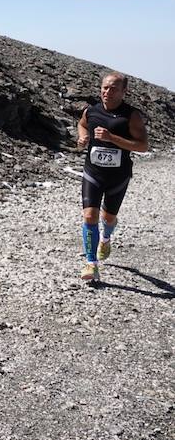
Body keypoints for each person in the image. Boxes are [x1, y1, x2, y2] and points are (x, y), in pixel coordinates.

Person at [76, 71, 148, 282]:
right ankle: (91, 264)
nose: (107, 92)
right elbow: (81, 124)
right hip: (93, 172)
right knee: (90, 216)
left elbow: (143, 146)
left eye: (114, 89)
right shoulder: (91, 111)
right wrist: (82, 137)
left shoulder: (131, 116)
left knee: (108, 218)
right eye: (105, 88)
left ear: (124, 92)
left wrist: (111, 138)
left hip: (118, 176)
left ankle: (106, 238)